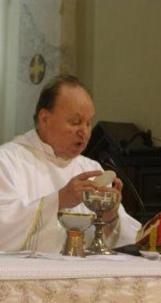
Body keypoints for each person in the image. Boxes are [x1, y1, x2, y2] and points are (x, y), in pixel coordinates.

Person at [0, 74, 141, 253]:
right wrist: (59, 200)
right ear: (44, 119)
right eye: (75, 122)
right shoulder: (7, 162)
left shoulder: (91, 168)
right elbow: (4, 227)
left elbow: (126, 241)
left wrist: (110, 217)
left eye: (89, 123)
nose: (84, 132)